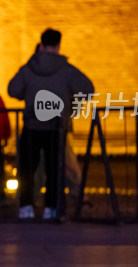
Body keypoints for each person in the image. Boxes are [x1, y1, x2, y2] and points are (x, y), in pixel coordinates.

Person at [8, 28, 93, 221]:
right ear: (58, 45)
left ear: (41, 44)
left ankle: (26, 207)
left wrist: (27, 93)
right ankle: (51, 208)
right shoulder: (66, 69)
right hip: (56, 127)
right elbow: (88, 89)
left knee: (28, 169)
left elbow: (13, 89)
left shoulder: (28, 68)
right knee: (55, 169)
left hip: (31, 124)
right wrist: (69, 99)